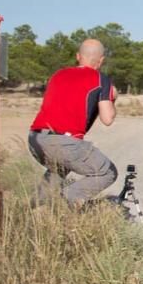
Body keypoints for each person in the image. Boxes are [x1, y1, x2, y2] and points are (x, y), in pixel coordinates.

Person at [28, 39, 119, 205]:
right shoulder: (101, 79)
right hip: (64, 142)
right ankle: (68, 199)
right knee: (108, 172)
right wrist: (112, 98)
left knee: (59, 169)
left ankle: (34, 208)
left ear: (78, 56)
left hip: (35, 139)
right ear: (101, 60)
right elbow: (107, 119)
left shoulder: (58, 75)